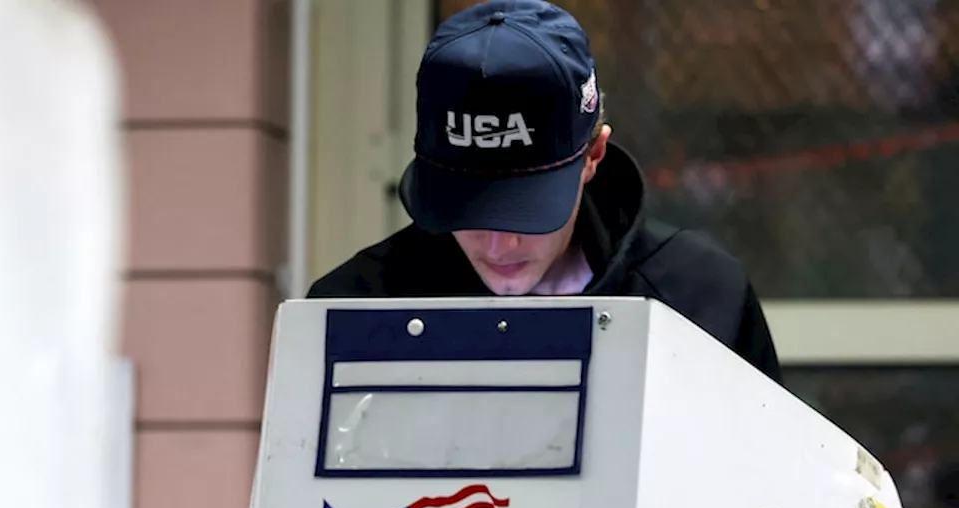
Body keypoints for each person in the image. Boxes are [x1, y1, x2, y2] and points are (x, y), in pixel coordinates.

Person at [308, 0, 783, 382]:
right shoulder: (356, 308)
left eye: (526, 211)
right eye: (468, 209)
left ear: (593, 156)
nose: (500, 245)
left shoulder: (697, 299)